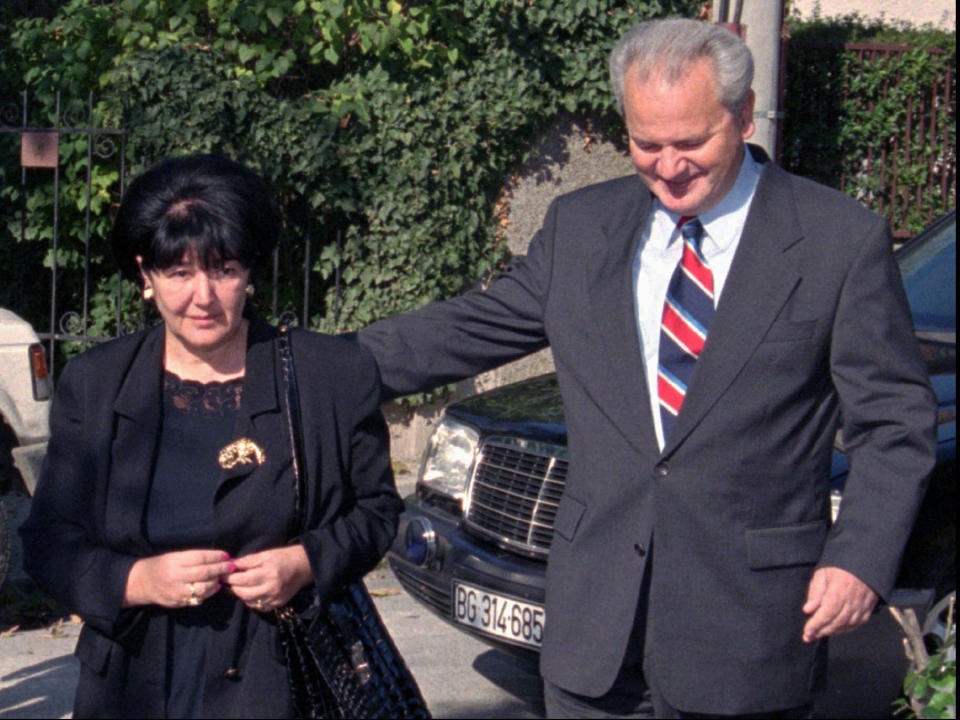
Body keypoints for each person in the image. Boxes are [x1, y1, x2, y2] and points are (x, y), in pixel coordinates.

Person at [356, 18, 937, 719]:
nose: (668, 165)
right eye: (645, 143)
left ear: (745, 114)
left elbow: (895, 425)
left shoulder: (838, 241)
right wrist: (295, 364)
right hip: (593, 641)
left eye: (691, 142)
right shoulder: (581, 227)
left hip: (747, 640)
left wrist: (859, 560)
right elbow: (464, 330)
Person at [20, 154, 403, 718]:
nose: (203, 296)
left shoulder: (330, 374)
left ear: (250, 271)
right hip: (134, 682)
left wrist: (304, 563)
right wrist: (134, 579)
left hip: (284, 679)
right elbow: (49, 539)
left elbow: (376, 510)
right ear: (145, 276)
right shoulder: (97, 382)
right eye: (178, 273)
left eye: (223, 268)